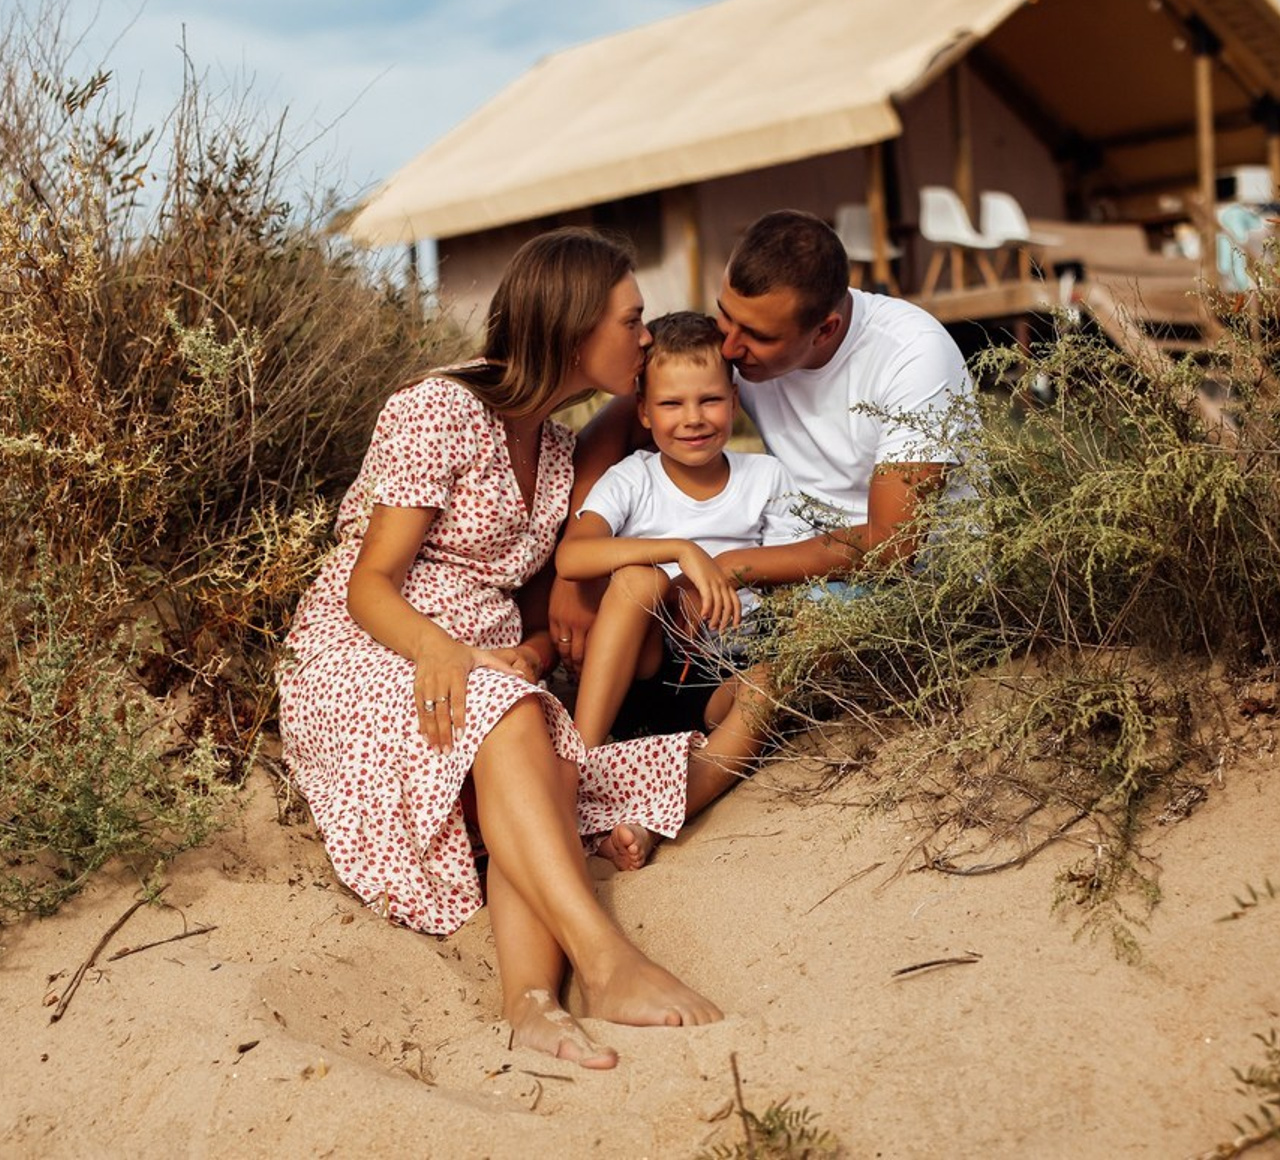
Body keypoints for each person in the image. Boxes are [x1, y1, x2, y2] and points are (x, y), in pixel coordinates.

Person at [277, 228, 722, 1072]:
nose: (647, 337)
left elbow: (522, 594)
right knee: (514, 722)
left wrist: (523, 646)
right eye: (633, 321)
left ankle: (530, 1004)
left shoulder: (556, 448)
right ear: (575, 325)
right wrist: (444, 652)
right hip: (366, 649)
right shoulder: (436, 408)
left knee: (548, 761)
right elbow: (370, 583)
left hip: (480, 663)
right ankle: (607, 961)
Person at [551, 208, 975, 670]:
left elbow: (893, 543)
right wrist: (573, 581)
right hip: (789, 558)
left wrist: (732, 567)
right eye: (725, 315)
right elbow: (616, 428)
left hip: (917, 580)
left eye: (755, 335)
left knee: (795, 642)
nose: (729, 347)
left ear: (825, 330)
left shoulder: (912, 355)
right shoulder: (743, 344)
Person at [556, 312, 808, 867]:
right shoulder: (635, 478)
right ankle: (576, 765)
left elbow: (794, 576)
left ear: (734, 399)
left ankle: (660, 815)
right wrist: (679, 555)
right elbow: (573, 556)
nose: (692, 419)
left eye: (709, 401)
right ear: (643, 412)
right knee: (637, 581)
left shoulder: (765, 477)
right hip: (643, 665)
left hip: (725, 670)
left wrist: (728, 575)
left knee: (772, 679)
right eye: (671, 404)